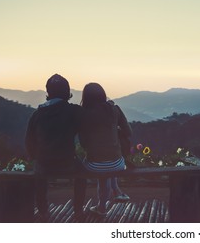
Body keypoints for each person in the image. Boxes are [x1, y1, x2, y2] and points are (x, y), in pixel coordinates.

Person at [25, 74, 87, 221]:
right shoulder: (73, 111)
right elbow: (87, 126)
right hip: (67, 163)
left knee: (39, 175)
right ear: (67, 92)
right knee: (82, 175)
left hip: (44, 163)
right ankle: (78, 210)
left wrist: (35, 157)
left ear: (48, 92)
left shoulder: (37, 114)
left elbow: (29, 140)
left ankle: (43, 211)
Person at [79, 82, 132, 216]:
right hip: (118, 164)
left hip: (94, 165)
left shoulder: (83, 114)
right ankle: (115, 191)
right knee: (109, 162)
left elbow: (83, 143)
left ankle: (101, 208)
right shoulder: (114, 109)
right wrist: (115, 132)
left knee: (100, 167)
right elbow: (128, 132)